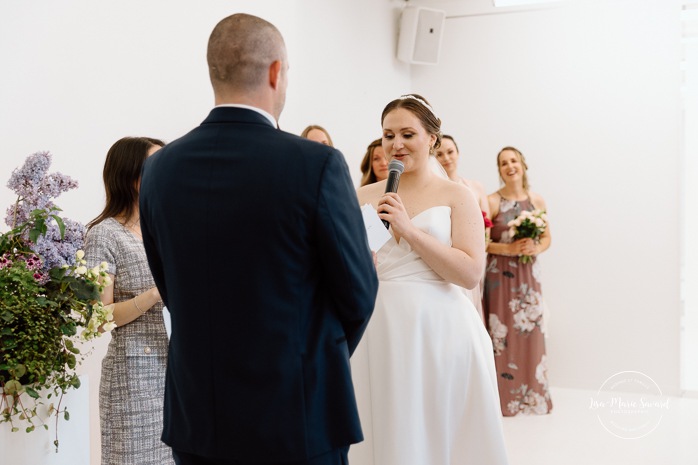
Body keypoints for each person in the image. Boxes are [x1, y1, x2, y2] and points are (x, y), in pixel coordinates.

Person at [138, 13, 378, 465]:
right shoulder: (317, 164)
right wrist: (312, 359)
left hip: (199, 419)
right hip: (297, 418)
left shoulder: (159, 169)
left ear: (214, 72)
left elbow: (169, 286)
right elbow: (359, 293)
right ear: (275, 72)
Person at [350, 94, 509, 465]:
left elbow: (469, 273)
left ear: (433, 140)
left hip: (441, 329)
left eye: (408, 133)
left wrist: (410, 230)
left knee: (437, 430)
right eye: (388, 135)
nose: (396, 144)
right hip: (380, 328)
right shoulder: (366, 195)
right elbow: (358, 264)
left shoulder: (457, 196)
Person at [83, 136, 172, 465]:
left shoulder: (162, 229)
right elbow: (99, 318)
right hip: (133, 375)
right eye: (157, 166)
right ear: (131, 176)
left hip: (174, 370)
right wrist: (153, 294)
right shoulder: (104, 234)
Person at [484, 146, 552, 416]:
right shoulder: (491, 201)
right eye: (503, 163)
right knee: (502, 336)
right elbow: (483, 243)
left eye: (513, 161)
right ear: (499, 170)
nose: (509, 166)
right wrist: (509, 250)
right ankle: (504, 401)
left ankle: (534, 397)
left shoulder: (537, 201)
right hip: (499, 277)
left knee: (531, 333)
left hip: (528, 277)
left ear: (522, 165)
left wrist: (535, 247)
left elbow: (547, 238)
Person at [435, 134, 490, 319]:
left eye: (450, 152)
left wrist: (480, 248)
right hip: (447, 256)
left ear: (458, 153)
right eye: (440, 154)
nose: (446, 158)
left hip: (473, 255)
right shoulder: (436, 190)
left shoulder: (475, 187)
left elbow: (486, 224)